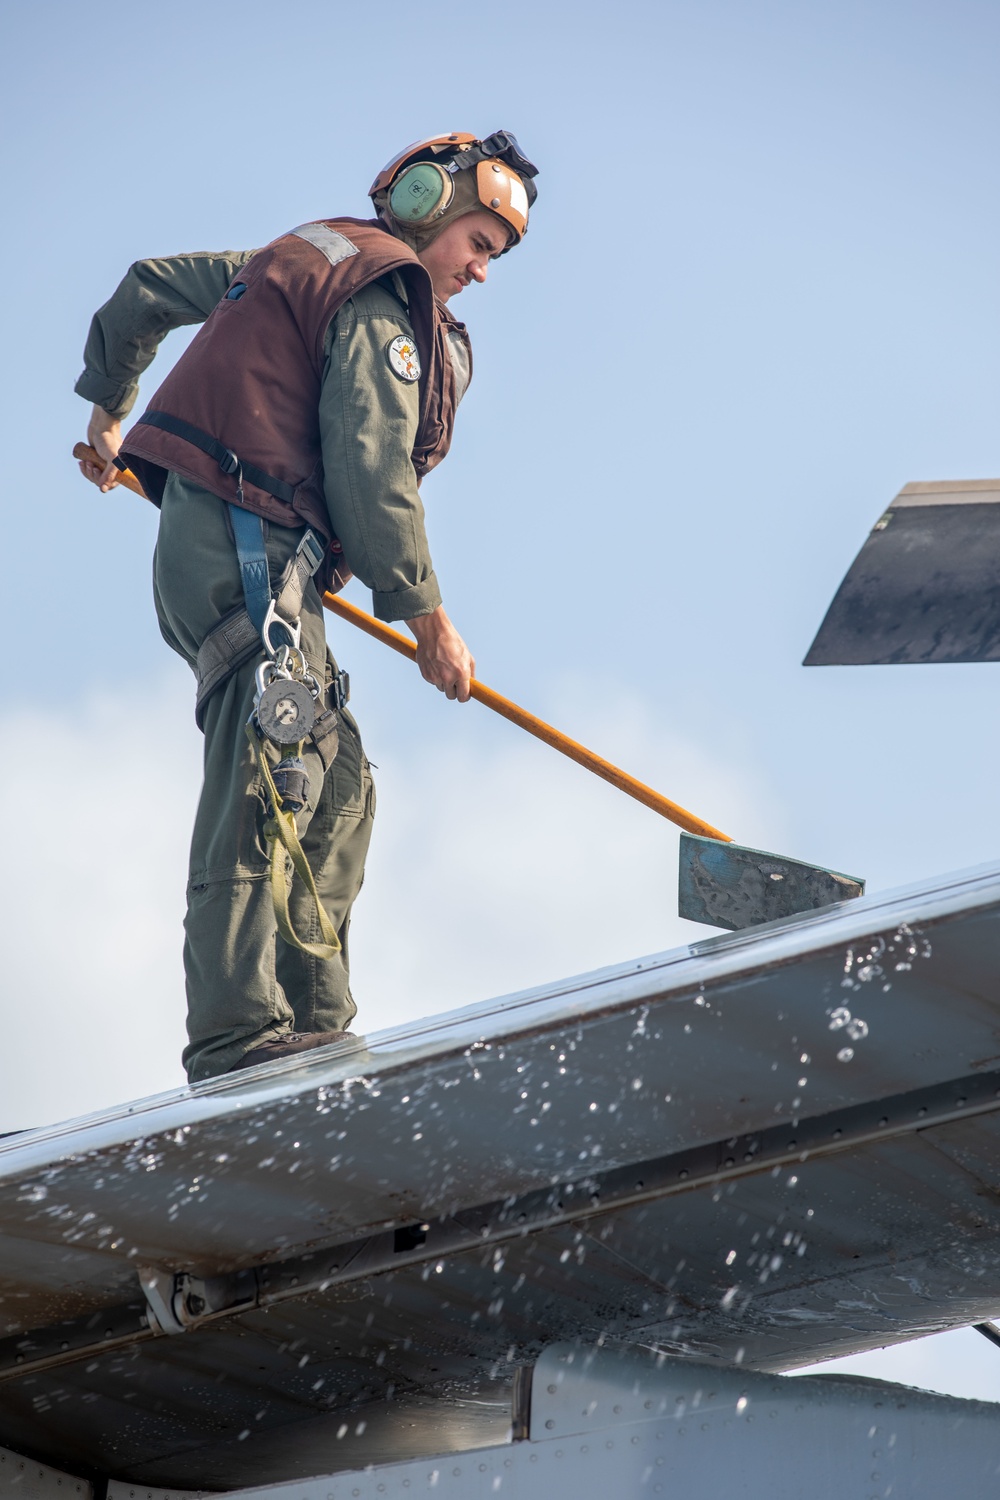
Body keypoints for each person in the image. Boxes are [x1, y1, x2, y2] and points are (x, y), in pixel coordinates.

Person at [75, 131, 538, 1082]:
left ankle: (314, 1025)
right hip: (252, 554)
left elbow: (147, 289)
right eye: (480, 245)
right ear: (425, 207)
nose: (482, 272)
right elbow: (372, 470)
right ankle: (241, 1042)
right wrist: (427, 616)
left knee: (339, 781)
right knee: (272, 776)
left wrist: (106, 412)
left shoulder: (292, 262)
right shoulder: (376, 295)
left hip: (247, 554)